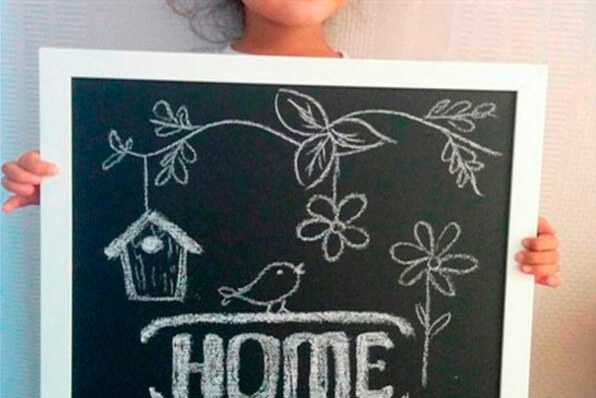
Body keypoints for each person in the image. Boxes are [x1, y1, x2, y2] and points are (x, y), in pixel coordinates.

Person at [0, 0, 561, 286]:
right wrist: (64, 192)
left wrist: (507, 240)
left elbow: (437, 236)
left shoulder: (403, 117)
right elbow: (133, 212)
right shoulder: (161, 103)